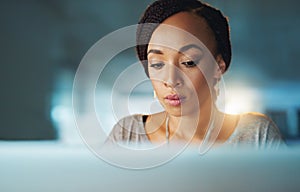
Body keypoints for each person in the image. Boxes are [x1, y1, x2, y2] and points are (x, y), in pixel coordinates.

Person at [107, 0, 285, 149]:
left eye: (188, 62)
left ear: (218, 66)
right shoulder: (127, 134)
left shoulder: (257, 136)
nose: (171, 80)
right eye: (158, 64)